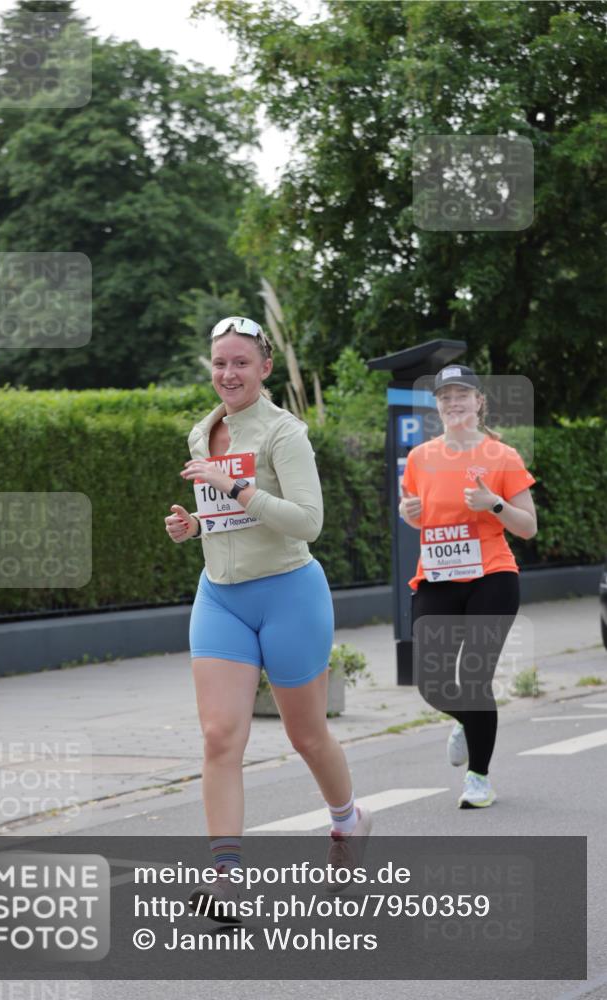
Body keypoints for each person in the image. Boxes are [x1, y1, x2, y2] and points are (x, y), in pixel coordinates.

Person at [165, 316, 372, 920]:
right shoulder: (202, 434)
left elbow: (308, 522)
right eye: (219, 363)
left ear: (263, 368)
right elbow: (229, 519)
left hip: (289, 594)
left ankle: (348, 820)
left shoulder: (286, 433)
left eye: (240, 363)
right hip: (221, 596)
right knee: (219, 736)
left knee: (306, 734)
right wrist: (194, 525)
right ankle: (225, 877)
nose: (228, 374)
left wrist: (232, 489)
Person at [399, 364, 537, 808]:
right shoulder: (421, 457)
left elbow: (528, 527)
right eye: (445, 397)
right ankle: (466, 719)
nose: (453, 403)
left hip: (492, 577)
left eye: (462, 395)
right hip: (438, 577)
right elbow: (419, 515)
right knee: (431, 682)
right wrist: (409, 512)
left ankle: (479, 778)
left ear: (479, 401)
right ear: (437, 405)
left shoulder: (503, 456)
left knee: (474, 679)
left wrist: (493, 503)